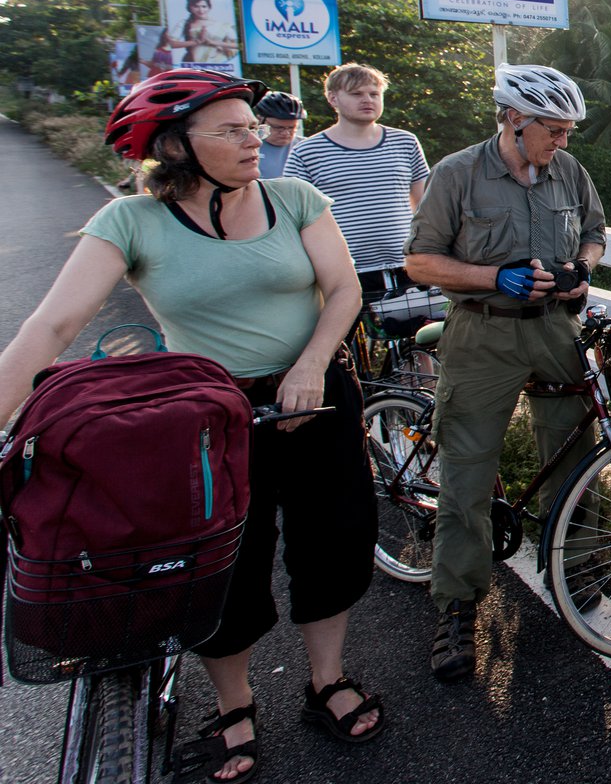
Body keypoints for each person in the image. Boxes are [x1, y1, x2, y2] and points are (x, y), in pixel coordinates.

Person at [0, 69, 386, 782]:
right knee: (221, 563)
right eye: (233, 130)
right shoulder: (130, 222)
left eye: (252, 127)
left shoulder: (294, 197)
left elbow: (343, 288)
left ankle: (325, 679)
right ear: (175, 146)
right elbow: (50, 323)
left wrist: (310, 364)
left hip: (315, 397)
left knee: (333, 541)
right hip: (211, 416)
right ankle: (235, 703)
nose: (256, 138)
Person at [403, 64, 605, 682]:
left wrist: (581, 267)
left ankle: (572, 564)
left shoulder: (567, 171)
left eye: (569, 130)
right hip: (481, 329)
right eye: (554, 129)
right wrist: (496, 276)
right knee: (468, 465)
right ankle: (458, 601)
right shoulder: (458, 173)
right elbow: (420, 261)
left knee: (576, 447)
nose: (563, 143)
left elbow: (595, 233)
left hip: (553, 326)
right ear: (514, 120)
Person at [283, 64, 429, 299]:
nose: (367, 100)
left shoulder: (405, 142)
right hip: (342, 272)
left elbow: (424, 202)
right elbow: (292, 215)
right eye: (356, 94)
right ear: (333, 98)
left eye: (374, 94)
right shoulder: (306, 151)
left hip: (406, 266)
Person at [169, 0, 239, 65]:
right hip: (193, 64)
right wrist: (197, 41)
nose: (201, 10)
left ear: (209, 7)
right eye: (196, 6)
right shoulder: (183, 23)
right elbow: (171, 44)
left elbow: (237, 45)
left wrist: (213, 42)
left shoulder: (222, 25)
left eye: (204, 6)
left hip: (219, 64)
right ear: (190, 8)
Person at [253, 91, 302, 179]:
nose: (285, 133)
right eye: (278, 127)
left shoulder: (305, 147)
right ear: (260, 120)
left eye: (292, 128)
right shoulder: (247, 146)